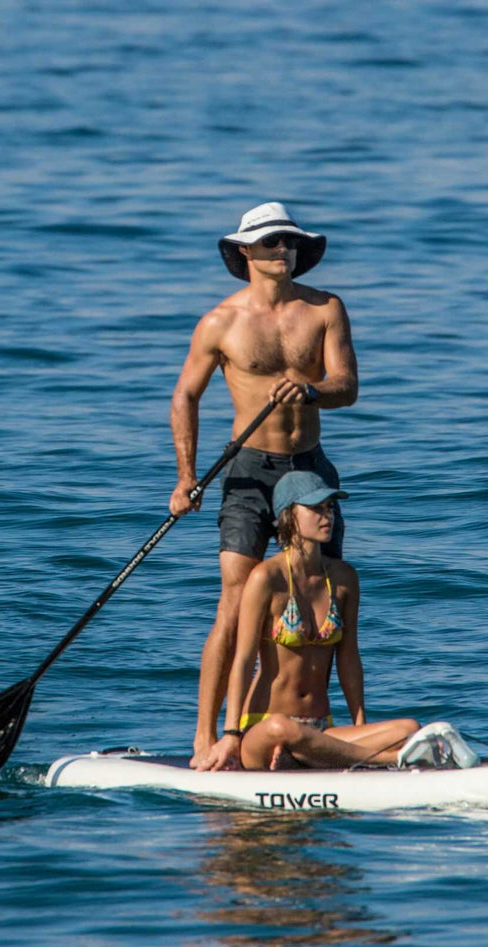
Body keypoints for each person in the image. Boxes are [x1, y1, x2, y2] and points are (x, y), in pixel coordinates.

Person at [168, 201, 359, 768]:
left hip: (310, 468)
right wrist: (185, 477)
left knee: (316, 594)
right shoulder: (221, 323)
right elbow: (185, 397)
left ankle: (304, 728)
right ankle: (207, 738)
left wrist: (311, 388)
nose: (286, 251)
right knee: (236, 598)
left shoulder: (325, 309)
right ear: (245, 252)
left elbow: (347, 385)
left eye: (292, 243)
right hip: (250, 470)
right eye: (274, 243)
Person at [199, 471, 419, 773]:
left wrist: (360, 725)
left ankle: (315, 755)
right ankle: (386, 760)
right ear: (289, 515)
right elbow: (244, 660)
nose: (327, 515)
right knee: (281, 728)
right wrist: (230, 734)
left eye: (329, 507)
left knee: (408, 727)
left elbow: (349, 657)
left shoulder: (343, 579)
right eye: (316, 508)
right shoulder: (266, 578)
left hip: (321, 728)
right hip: (263, 728)